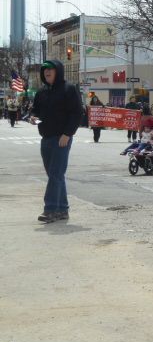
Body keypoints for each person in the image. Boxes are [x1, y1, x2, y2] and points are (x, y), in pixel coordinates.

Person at [29, 60, 83, 223]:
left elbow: (77, 113)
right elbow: (35, 110)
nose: (47, 72)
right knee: (55, 175)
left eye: (50, 69)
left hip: (62, 138)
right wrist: (33, 117)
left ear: (58, 71)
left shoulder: (69, 89)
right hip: (46, 138)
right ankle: (62, 209)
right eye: (44, 70)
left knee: (55, 174)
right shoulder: (42, 92)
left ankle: (50, 209)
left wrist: (67, 134)